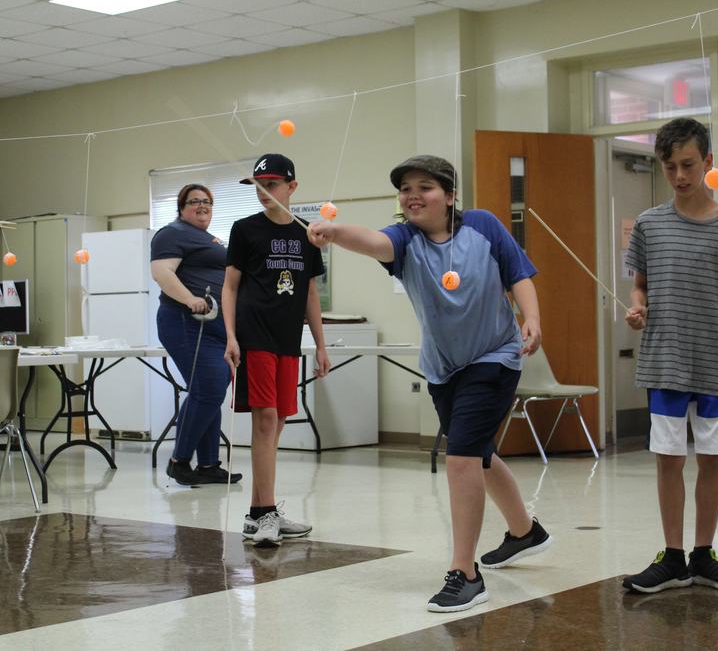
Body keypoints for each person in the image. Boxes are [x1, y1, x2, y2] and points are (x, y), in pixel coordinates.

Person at [307, 155, 552, 613]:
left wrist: (532, 317)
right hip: (443, 368)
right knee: (477, 454)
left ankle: (465, 572)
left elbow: (518, 274)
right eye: (405, 189)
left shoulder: (484, 226)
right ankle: (526, 532)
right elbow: (374, 240)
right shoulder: (405, 240)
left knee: (460, 457)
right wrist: (336, 232)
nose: (413, 195)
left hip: (496, 357)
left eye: (425, 186)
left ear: (451, 195)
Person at [622, 117, 718, 594]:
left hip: (717, 360)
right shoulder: (648, 224)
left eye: (688, 164)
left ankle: (705, 555)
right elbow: (639, 284)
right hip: (664, 360)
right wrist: (638, 307)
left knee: (713, 459)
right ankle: (673, 557)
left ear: (708, 162)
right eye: (669, 167)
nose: (680, 176)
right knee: (667, 458)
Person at [222, 153, 331, 546]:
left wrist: (320, 345)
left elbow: (311, 294)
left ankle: (258, 514)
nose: (264, 193)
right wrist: (231, 336)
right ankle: (266, 514)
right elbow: (230, 286)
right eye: (258, 186)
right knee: (265, 419)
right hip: (254, 335)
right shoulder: (244, 229)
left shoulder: (307, 233)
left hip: (288, 339)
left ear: (292, 186)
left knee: (278, 423)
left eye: (271, 185)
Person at [150, 183, 241, 487]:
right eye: (194, 202)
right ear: (181, 207)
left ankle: (208, 465)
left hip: (214, 326)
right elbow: (163, 272)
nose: (202, 206)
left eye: (207, 202)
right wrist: (190, 299)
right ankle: (179, 461)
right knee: (211, 385)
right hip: (186, 321)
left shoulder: (209, 238)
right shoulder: (171, 233)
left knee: (209, 389)